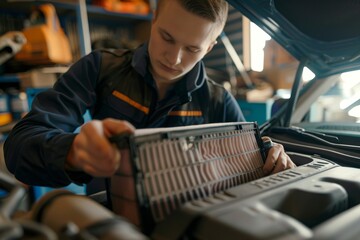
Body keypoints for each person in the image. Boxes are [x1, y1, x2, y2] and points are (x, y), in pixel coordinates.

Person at [4, 0, 295, 190]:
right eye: (167, 37)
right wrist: (73, 152)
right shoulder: (99, 68)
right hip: (109, 216)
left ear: (209, 48)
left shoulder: (218, 100)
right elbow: (19, 146)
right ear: (154, 19)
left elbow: (252, 153)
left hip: (186, 219)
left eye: (192, 49)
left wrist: (269, 152)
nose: (174, 57)